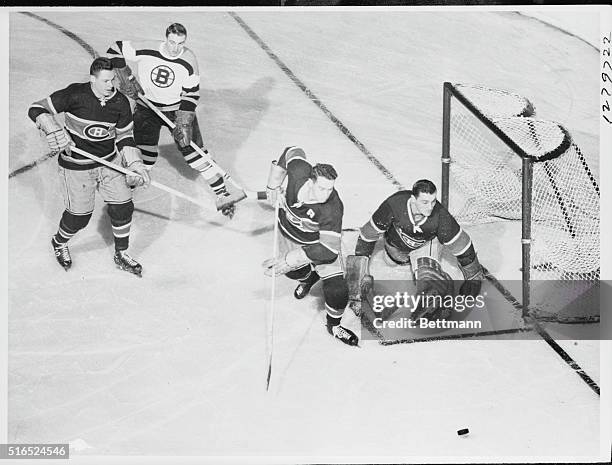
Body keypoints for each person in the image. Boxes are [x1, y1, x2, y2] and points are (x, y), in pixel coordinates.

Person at [28, 57, 150, 276]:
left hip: (109, 163)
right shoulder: (76, 94)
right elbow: (36, 108)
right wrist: (52, 127)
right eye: (105, 81)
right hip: (77, 166)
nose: (110, 85)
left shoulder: (120, 102)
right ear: (92, 79)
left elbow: (124, 137)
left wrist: (135, 163)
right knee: (79, 217)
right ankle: (59, 242)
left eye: (112, 80)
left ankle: (121, 254)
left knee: (123, 206)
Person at [106, 23, 240, 217]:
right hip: (146, 107)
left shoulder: (188, 59)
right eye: (172, 42)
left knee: (195, 154)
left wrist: (184, 122)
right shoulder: (147, 48)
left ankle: (222, 193)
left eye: (180, 43)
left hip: (176, 110)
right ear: (165, 38)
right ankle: (128, 192)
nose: (175, 48)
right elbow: (115, 48)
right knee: (144, 154)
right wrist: (126, 76)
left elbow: (191, 94)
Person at [262, 146, 358, 346]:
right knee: (294, 274)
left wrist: (290, 259)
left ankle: (334, 326)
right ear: (310, 181)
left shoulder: (333, 208)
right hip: (288, 233)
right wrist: (273, 185)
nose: (326, 194)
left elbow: (328, 249)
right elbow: (291, 151)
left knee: (338, 290)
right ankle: (308, 277)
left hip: (318, 244)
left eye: (330, 188)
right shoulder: (298, 171)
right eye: (322, 188)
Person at [347, 179, 484, 319]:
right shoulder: (394, 205)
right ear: (413, 199)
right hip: (395, 248)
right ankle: (410, 265)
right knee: (391, 261)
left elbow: (463, 246)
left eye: (433, 201)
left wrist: (473, 277)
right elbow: (367, 235)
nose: (430, 207)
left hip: (424, 245)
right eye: (424, 202)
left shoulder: (440, 217)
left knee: (428, 273)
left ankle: (434, 289)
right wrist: (359, 274)